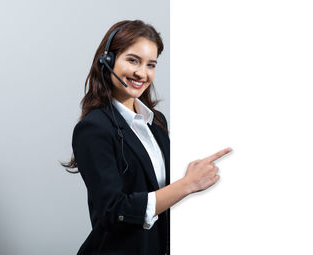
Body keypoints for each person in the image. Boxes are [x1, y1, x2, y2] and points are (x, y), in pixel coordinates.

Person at [62, 20, 231, 255]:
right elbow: (113, 210)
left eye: (151, 64)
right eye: (133, 60)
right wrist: (187, 184)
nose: (142, 73)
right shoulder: (94, 129)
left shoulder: (156, 122)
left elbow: (161, 195)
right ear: (108, 60)